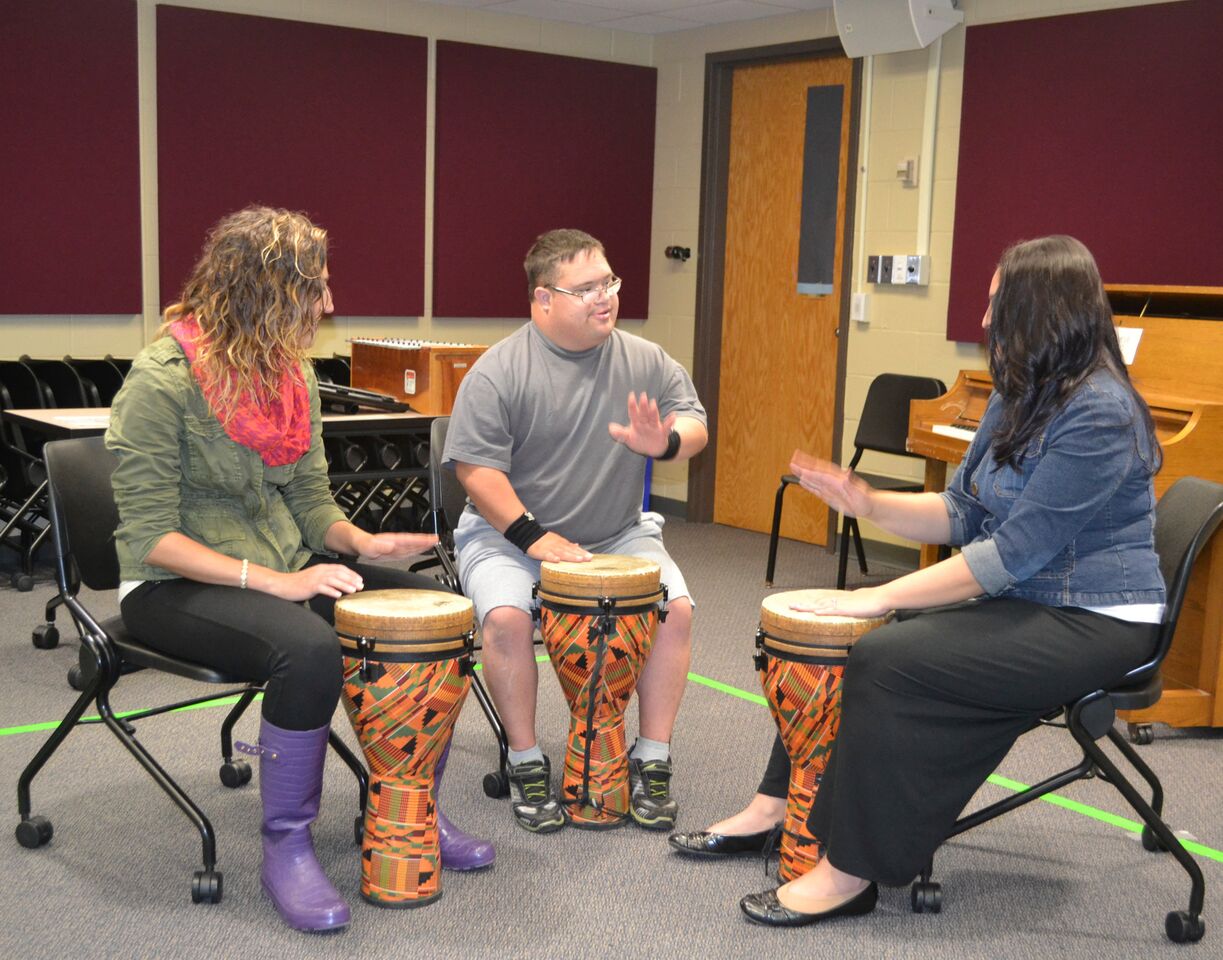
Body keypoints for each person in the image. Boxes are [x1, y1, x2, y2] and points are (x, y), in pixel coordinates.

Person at [725, 234, 1165, 926]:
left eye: (996, 306)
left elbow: (1008, 554)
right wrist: (867, 503)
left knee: (885, 653)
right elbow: (961, 511)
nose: (985, 321)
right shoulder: (1018, 390)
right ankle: (781, 807)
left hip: (1098, 620)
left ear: (1041, 312)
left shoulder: (1099, 413)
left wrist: (877, 592)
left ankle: (850, 871)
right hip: (1032, 600)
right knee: (858, 636)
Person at [105, 206, 492, 933]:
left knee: (437, 618)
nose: (329, 303)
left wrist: (356, 541)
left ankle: (407, 808)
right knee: (307, 649)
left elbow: (310, 500)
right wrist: (282, 584)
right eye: (314, 287)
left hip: (283, 562)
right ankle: (286, 846)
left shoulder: (288, 375)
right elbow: (152, 536)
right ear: (263, 291)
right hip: (171, 585)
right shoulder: (161, 381)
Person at [443, 228, 708, 833]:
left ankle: (652, 757)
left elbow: (694, 424)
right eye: (585, 288)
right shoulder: (498, 371)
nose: (604, 297)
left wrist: (663, 441)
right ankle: (526, 759)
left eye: (608, 282)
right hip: (508, 537)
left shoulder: (643, 359)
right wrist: (533, 538)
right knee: (508, 620)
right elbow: (474, 470)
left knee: (678, 610)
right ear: (543, 300)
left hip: (616, 533)